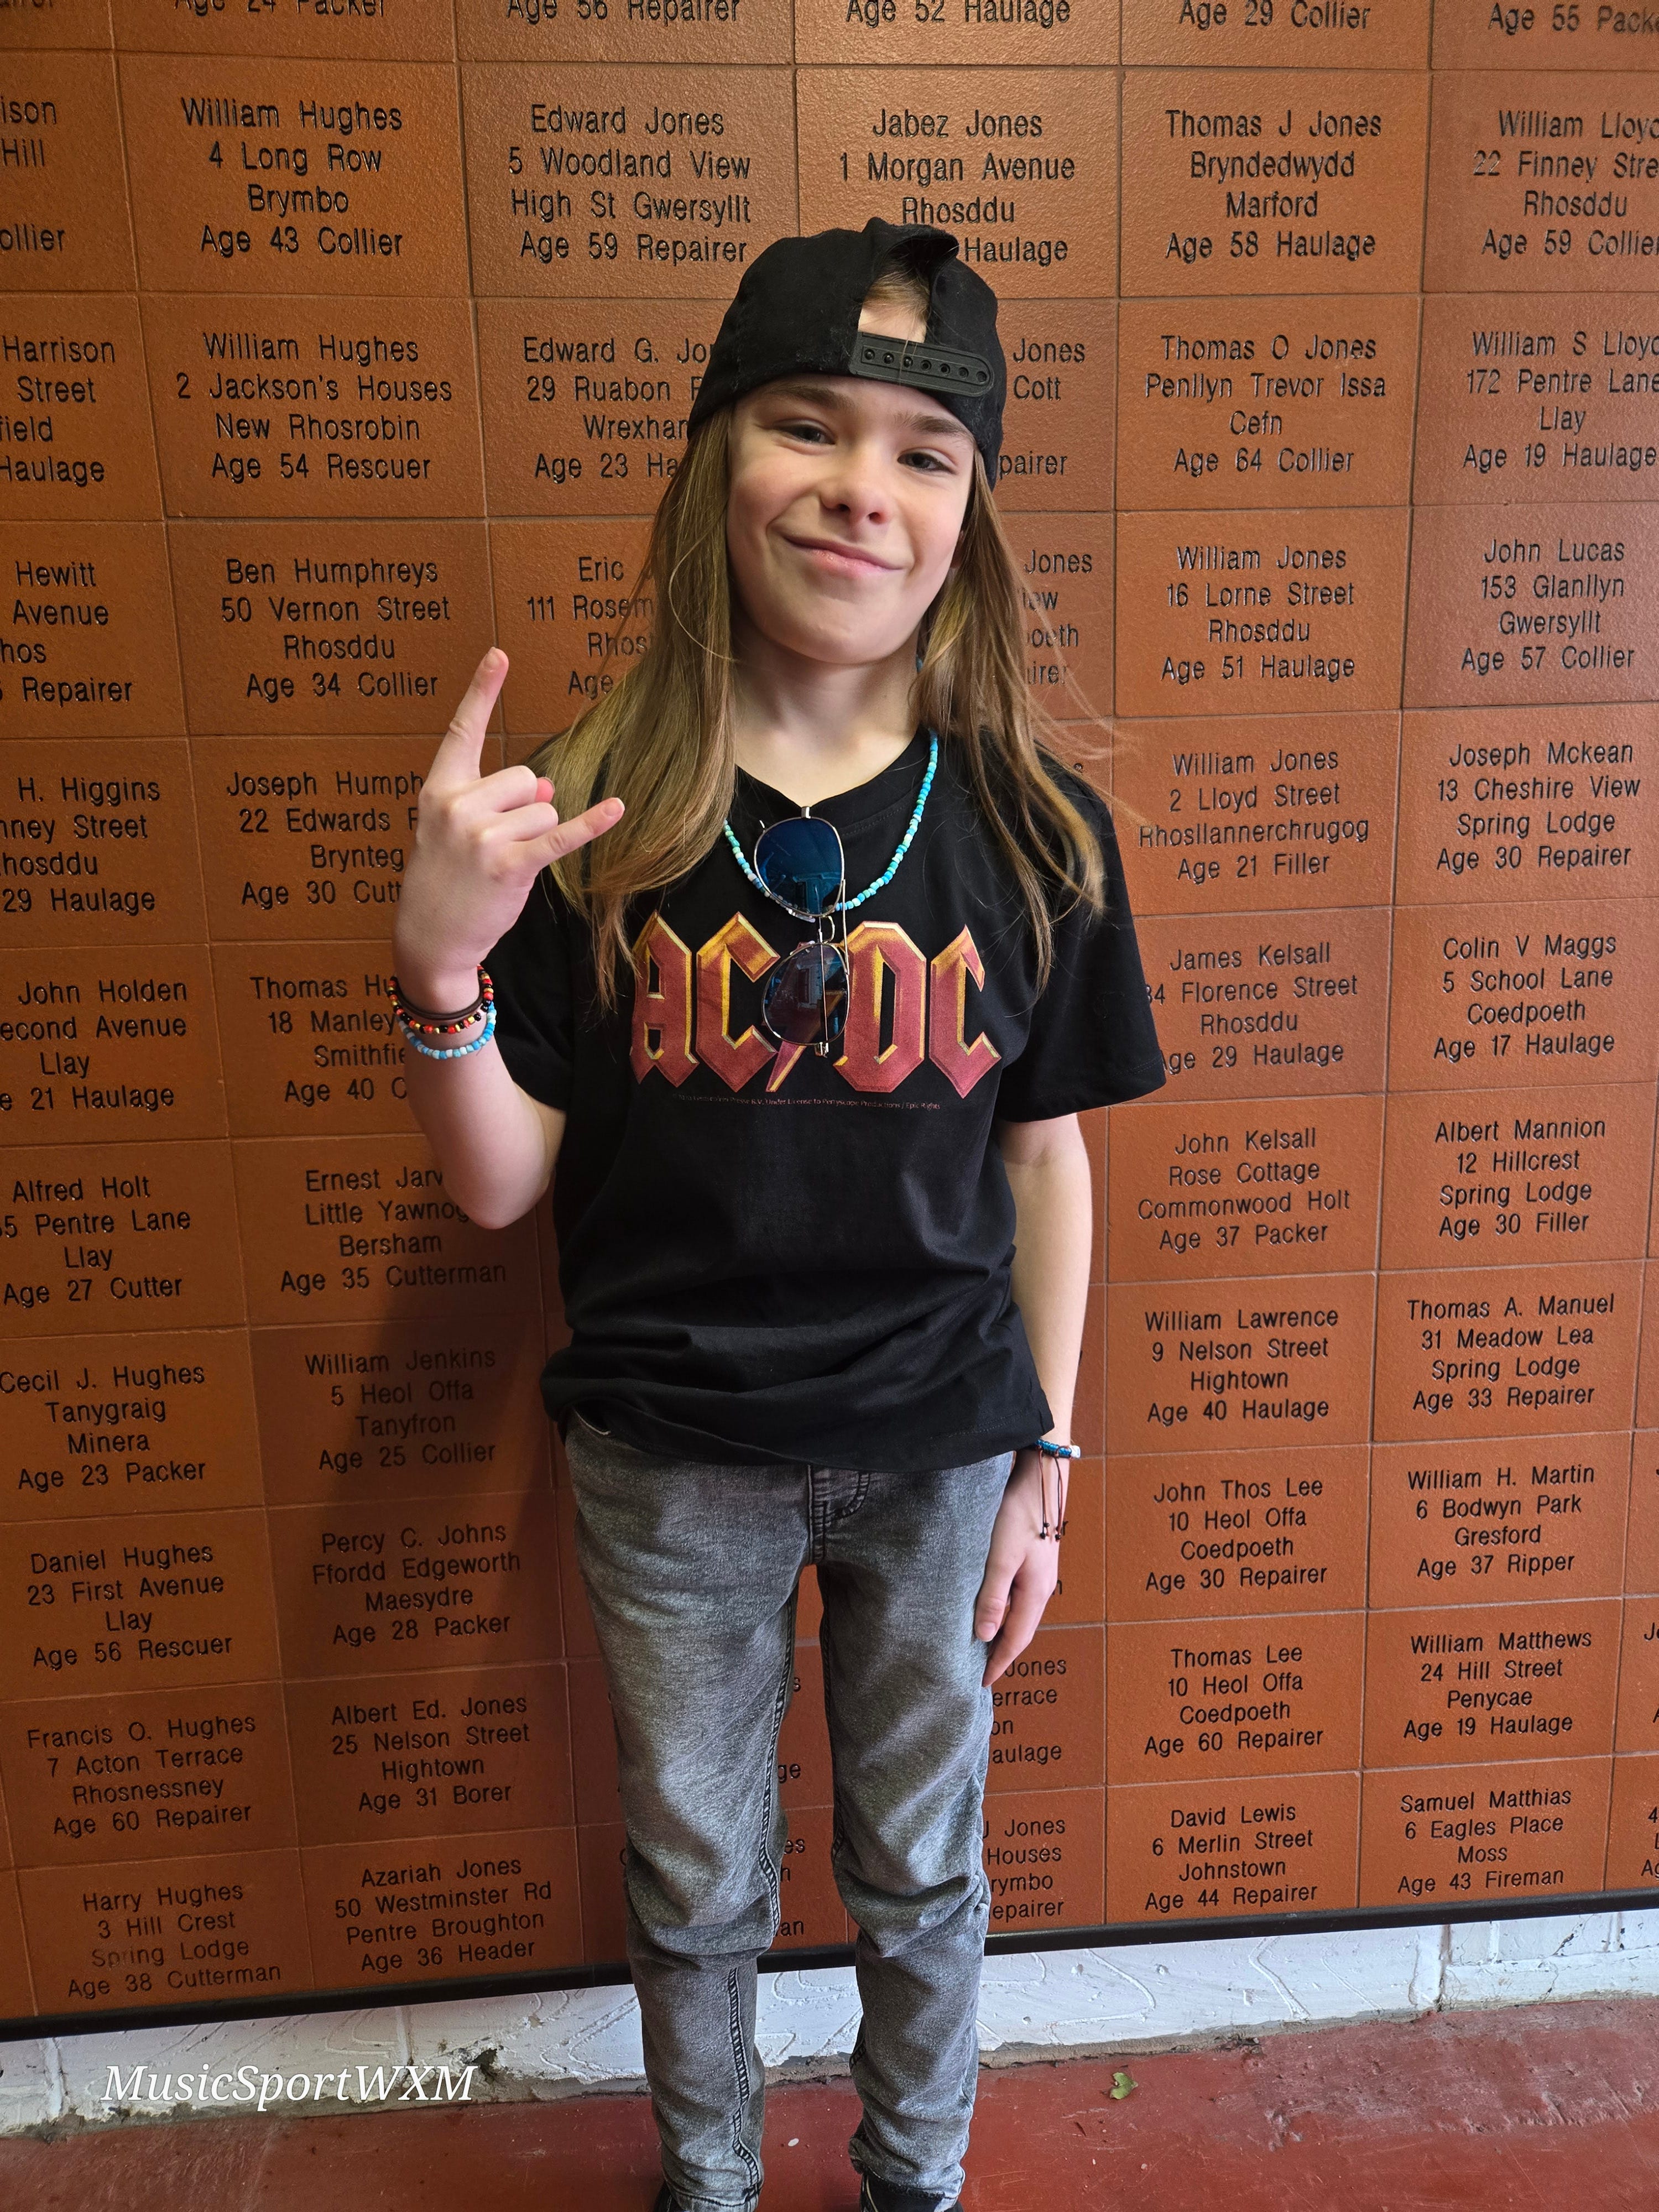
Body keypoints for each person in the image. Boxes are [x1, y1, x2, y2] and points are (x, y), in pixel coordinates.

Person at [390, 218, 1165, 2212]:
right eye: (806, 425)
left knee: (923, 1868)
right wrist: (444, 967)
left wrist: (1047, 1456)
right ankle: (710, 2185)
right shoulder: (590, 810)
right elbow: (497, 1185)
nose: (861, 488)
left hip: (939, 1446)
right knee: (698, 1874)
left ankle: (917, 2182)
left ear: (973, 512)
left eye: (924, 449)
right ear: (715, 458)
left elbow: (1046, 1158)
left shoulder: (1034, 830)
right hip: (672, 1458)